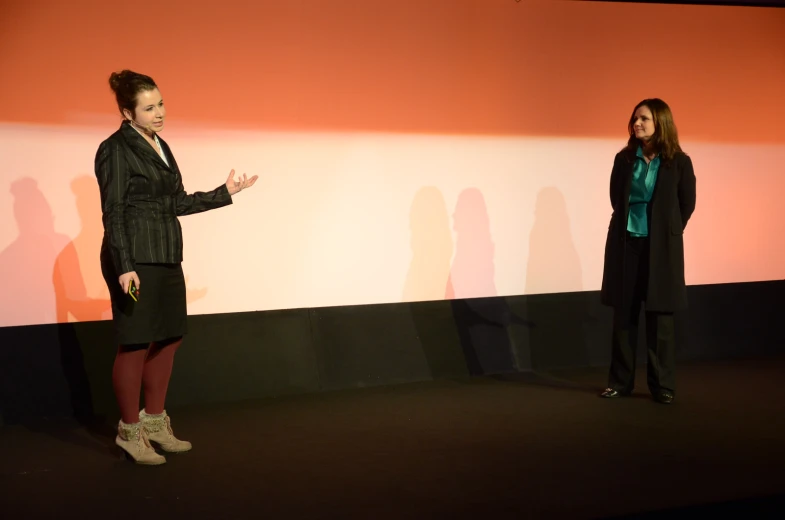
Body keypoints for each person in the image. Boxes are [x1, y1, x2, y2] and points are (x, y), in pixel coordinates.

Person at [95, 70, 258, 464]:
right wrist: (124, 265)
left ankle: (155, 423)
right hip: (133, 259)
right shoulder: (115, 149)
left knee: (170, 337)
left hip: (166, 254)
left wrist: (225, 193)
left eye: (161, 104)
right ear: (127, 111)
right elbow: (113, 211)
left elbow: (176, 203)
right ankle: (129, 432)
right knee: (135, 341)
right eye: (149, 108)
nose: (159, 113)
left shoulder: (161, 146)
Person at [599, 98, 696, 404]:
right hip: (627, 245)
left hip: (660, 249)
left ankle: (662, 386)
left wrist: (667, 230)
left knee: (660, 319)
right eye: (635, 119)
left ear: (660, 124)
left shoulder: (679, 162)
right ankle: (620, 382)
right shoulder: (624, 159)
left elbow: (686, 204)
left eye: (643, 119)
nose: (636, 124)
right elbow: (617, 199)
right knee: (624, 317)